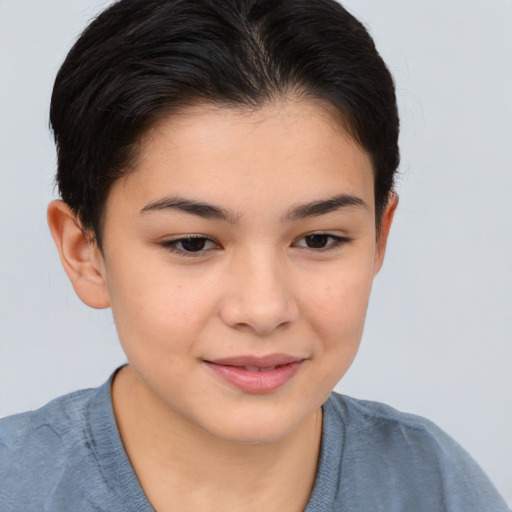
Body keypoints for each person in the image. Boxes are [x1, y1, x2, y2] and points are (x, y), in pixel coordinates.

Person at [0, 0, 509, 510]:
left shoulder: (435, 487)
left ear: (379, 235)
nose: (264, 310)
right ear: (85, 252)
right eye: (192, 243)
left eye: (319, 240)